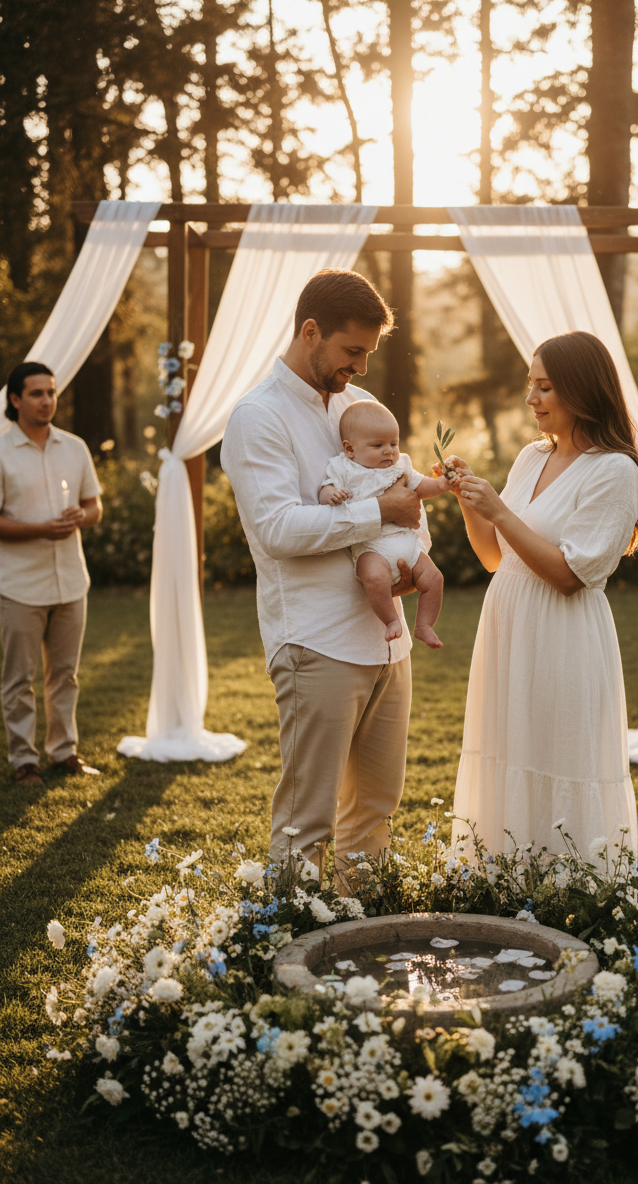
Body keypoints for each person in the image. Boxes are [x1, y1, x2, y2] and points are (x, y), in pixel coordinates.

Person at [221, 268, 424, 875]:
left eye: (368, 353)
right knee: (308, 819)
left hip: (388, 642)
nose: (360, 367)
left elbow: (406, 497)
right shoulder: (258, 417)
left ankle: (362, 947)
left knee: (376, 808)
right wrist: (375, 513)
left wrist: (408, 557)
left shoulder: (361, 409)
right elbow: (278, 529)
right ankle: (288, 949)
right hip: (315, 640)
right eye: (352, 351)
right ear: (311, 331)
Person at [446, 330, 638, 861]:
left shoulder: (614, 470)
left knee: (556, 755)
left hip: (561, 632)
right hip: (510, 622)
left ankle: (564, 889)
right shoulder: (533, 457)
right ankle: (502, 879)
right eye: (531, 385)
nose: (531, 399)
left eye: (545, 387)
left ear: (581, 390)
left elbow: (568, 574)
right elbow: (496, 557)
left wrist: (499, 511)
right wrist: (472, 501)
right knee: (508, 750)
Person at [0, 362, 103, 786]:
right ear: (15, 400)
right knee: (18, 680)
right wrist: (41, 530)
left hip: (71, 582)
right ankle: (24, 761)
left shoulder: (74, 447)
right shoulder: (2, 451)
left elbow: (95, 506)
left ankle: (64, 752)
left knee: (65, 674)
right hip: (19, 585)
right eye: (37, 393)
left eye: (51, 392)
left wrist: (83, 516)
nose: (46, 401)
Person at [319, 401, 453, 649]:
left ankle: (424, 625)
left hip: (407, 543)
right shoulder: (343, 468)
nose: (389, 451)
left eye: (394, 443)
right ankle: (391, 620)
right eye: (378, 445)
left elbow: (421, 486)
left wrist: (442, 484)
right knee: (374, 577)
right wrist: (329, 494)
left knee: (434, 578)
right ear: (350, 449)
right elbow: (326, 487)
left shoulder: (401, 465)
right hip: (372, 547)